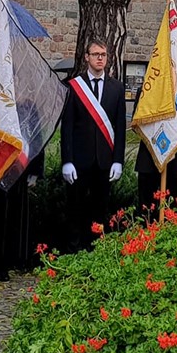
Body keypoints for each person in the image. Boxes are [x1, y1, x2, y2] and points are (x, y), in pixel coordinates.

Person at [59, 40, 126, 251]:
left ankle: (96, 253)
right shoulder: (74, 86)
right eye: (95, 54)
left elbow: (120, 127)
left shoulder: (117, 88)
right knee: (76, 210)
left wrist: (118, 160)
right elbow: (67, 127)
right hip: (79, 161)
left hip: (105, 161)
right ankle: (73, 253)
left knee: (100, 210)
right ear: (86, 57)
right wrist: (67, 161)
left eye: (103, 54)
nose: (100, 58)